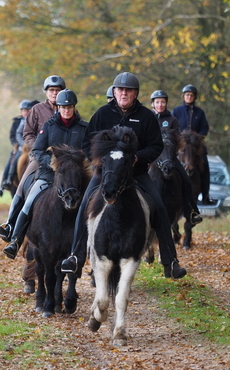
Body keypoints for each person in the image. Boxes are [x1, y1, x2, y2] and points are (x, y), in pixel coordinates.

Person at [60, 72, 188, 280]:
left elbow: (156, 145)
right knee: (84, 205)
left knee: (159, 207)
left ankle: (170, 261)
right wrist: (100, 161)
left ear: (136, 93)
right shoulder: (102, 114)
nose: (123, 93)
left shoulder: (146, 116)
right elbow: (87, 143)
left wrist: (139, 157)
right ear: (114, 92)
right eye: (120, 90)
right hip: (105, 174)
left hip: (136, 174)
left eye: (128, 90)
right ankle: (75, 257)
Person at [3, 89, 88, 258]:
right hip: (49, 174)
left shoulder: (84, 127)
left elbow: (90, 151)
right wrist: (51, 162)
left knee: (95, 202)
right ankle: (15, 240)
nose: (66, 110)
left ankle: (94, 249)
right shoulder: (49, 126)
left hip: (75, 178)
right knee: (29, 201)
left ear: (73, 107)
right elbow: (37, 150)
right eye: (63, 107)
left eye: (69, 107)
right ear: (59, 107)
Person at [0, 75, 66, 242]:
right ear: (46, 92)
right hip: (40, 156)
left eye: (57, 90)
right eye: (51, 90)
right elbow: (27, 133)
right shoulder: (37, 110)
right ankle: (10, 225)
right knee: (22, 186)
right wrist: (38, 149)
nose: (54, 93)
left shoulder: (69, 108)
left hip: (63, 158)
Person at [150, 89, 203, 226]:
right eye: (157, 102)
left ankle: (192, 211)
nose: (160, 104)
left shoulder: (172, 120)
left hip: (169, 157)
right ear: (153, 104)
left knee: (185, 179)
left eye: (162, 102)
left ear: (166, 103)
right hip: (152, 157)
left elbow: (178, 139)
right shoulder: (149, 118)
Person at [171, 84, 216, 205]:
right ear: (183, 96)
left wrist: (197, 137)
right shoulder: (176, 111)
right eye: (187, 95)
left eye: (191, 95)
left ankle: (206, 195)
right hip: (181, 145)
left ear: (194, 97)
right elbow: (172, 127)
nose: (189, 97)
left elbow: (204, 128)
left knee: (205, 166)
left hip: (196, 146)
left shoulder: (200, 113)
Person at [0, 100, 31, 197]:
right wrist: (18, 144)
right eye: (24, 110)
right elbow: (13, 135)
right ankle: (6, 182)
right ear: (21, 111)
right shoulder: (17, 122)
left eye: (28, 110)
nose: (26, 112)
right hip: (20, 148)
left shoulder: (34, 120)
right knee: (11, 162)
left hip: (33, 147)